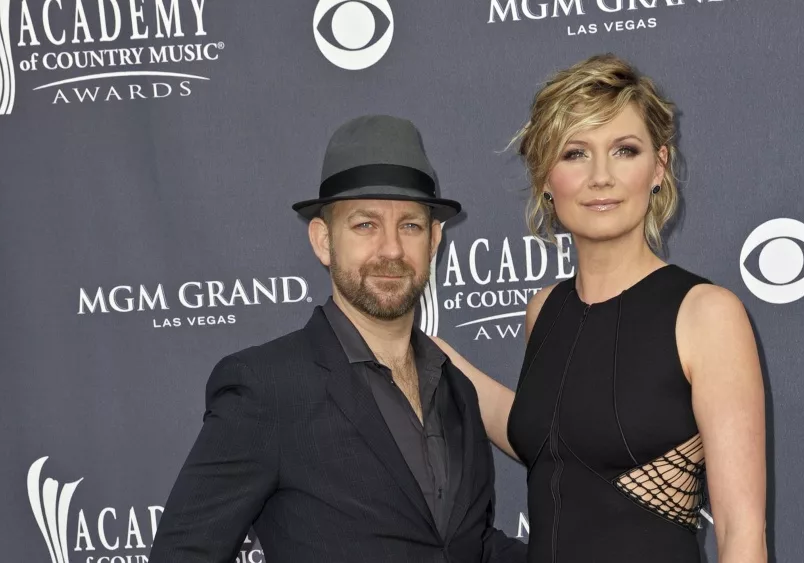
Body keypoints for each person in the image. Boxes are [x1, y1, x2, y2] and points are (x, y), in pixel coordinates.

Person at [432, 55, 767, 563]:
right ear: (545, 178)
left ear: (658, 167)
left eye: (624, 150)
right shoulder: (544, 309)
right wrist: (431, 356)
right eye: (575, 154)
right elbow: (553, 441)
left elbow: (743, 537)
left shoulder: (705, 315)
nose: (601, 177)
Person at [149, 115, 527, 563]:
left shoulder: (456, 389)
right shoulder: (265, 388)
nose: (391, 249)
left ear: (435, 240)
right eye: (365, 225)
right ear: (323, 240)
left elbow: (470, 547)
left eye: (409, 225)